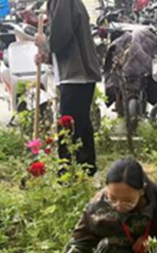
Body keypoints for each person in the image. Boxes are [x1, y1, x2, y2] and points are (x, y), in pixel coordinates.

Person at [35, 0, 102, 176]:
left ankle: (68, 172)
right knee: (80, 124)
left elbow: (60, 38)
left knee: (69, 125)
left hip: (76, 75)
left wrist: (44, 43)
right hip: (76, 74)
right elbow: (68, 43)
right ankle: (86, 168)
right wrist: (47, 57)